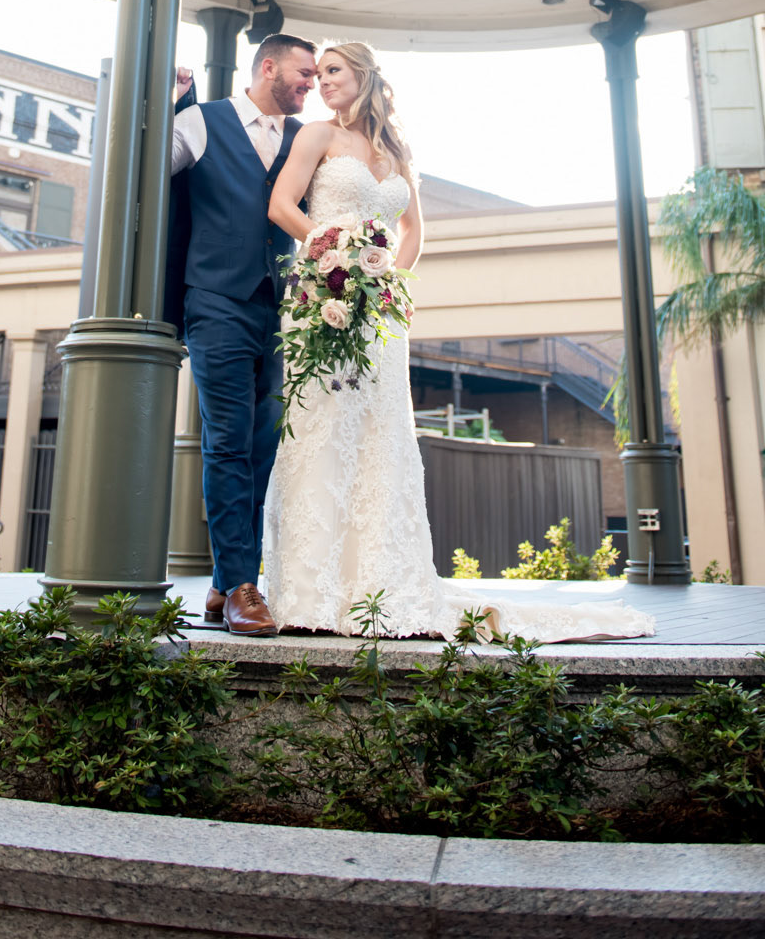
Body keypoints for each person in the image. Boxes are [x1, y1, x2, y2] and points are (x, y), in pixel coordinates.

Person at [263, 42, 657, 643]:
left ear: (364, 76)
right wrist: (332, 254)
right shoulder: (317, 136)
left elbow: (413, 231)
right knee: (324, 430)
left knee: (380, 438)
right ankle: (311, 593)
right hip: (324, 301)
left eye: (334, 71)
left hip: (379, 314)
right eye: (317, 75)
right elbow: (281, 206)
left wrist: (387, 280)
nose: (323, 83)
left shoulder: (398, 153)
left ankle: (379, 586)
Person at [169, 33, 317, 637]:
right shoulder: (201, 122)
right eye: (304, 74)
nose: (311, 84)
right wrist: (166, 102)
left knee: (262, 449)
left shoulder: (305, 138)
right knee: (228, 442)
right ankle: (240, 589)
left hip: (278, 311)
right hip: (216, 301)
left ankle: (223, 582)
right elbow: (143, 171)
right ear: (268, 67)